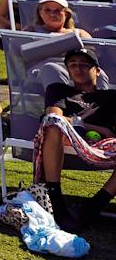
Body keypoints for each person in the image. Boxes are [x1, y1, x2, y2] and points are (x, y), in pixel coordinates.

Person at [35, 46, 116, 229]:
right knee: (54, 124)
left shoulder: (111, 97)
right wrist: (91, 127)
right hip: (66, 139)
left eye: (85, 65)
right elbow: (54, 117)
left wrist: (79, 122)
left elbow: (112, 134)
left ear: (97, 71)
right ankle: (56, 201)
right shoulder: (58, 90)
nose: (78, 68)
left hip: (102, 146)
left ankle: (94, 206)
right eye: (73, 65)